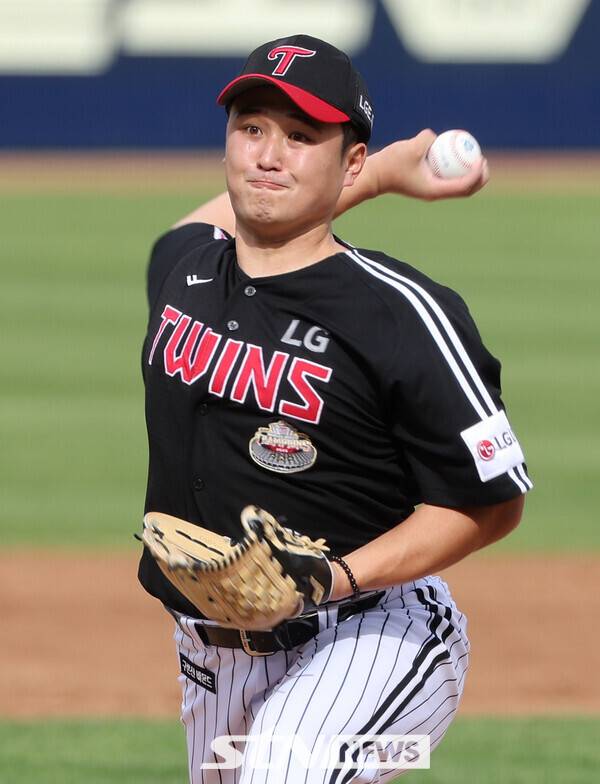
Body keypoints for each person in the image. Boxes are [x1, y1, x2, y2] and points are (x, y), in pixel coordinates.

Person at [138, 34, 531, 783]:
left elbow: (491, 503)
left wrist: (332, 577)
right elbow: (210, 223)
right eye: (251, 128)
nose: (267, 155)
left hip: (374, 634)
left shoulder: (404, 314)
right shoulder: (182, 272)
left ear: (344, 160)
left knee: (285, 772)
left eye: (301, 136)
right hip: (211, 658)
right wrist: (381, 174)